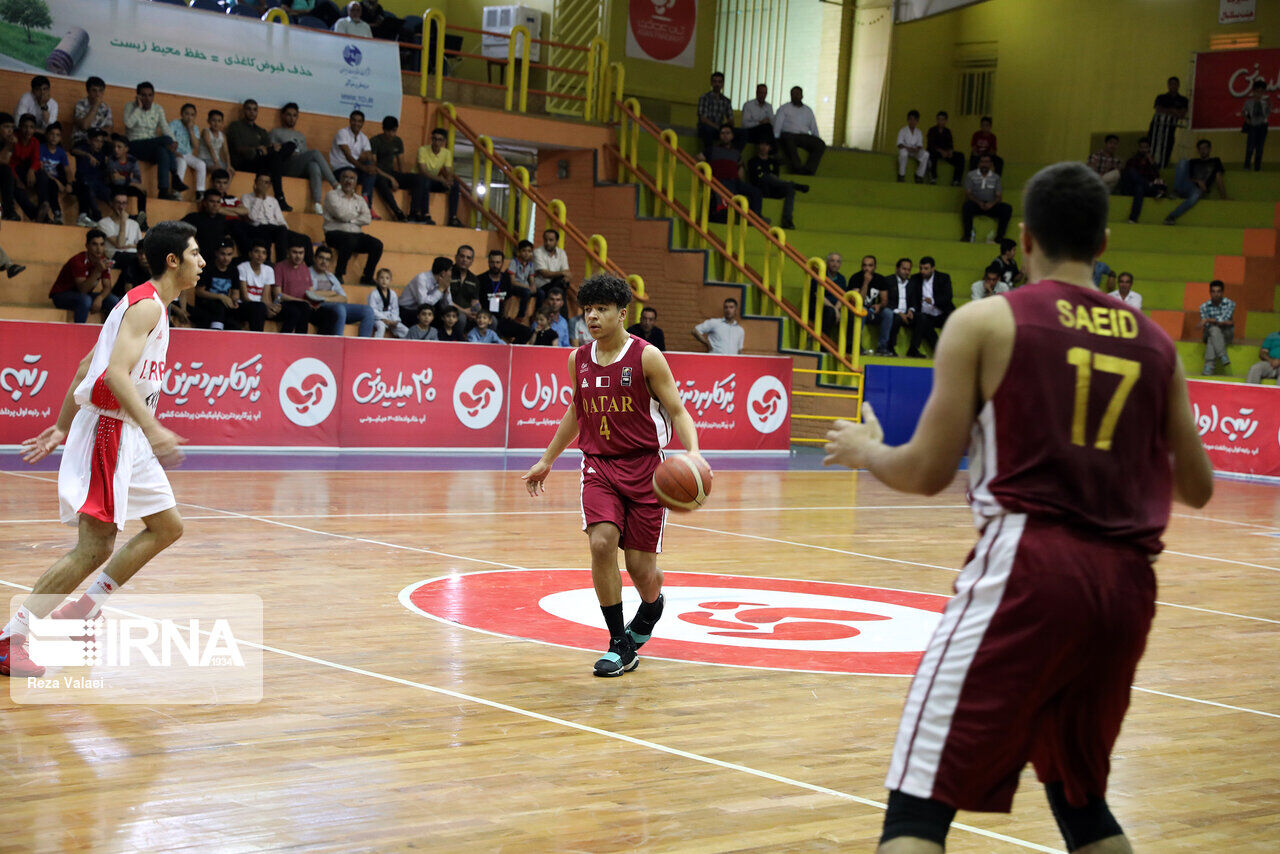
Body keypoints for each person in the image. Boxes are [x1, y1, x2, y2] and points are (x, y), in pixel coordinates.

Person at [821, 160, 1213, 854]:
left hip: (1032, 567)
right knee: (1081, 800)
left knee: (918, 808)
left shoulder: (986, 321)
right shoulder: (1157, 346)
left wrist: (864, 450)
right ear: (1105, 241)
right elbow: (1199, 486)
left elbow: (926, 472)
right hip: (1127, 587)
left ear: (1024, 237)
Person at [3, 221, 203, 679]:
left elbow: (82, 368)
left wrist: (59, 427)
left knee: (168, 527)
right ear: (173, 260)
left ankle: (82, 611)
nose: (203, 261)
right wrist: (153, 428)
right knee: (93, 548)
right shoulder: (145, 306)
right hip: (113, 432)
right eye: (195, 254)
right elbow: (112, 375)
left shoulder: (151, 306)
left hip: (127, 434)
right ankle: (11, 637)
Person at [522, 273, 704, 677]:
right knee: (602, 543)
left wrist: (692, 453)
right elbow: (577, 410)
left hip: (647, 470)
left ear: (622, 314)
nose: (593, 316)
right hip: (599, 466)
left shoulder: (647, 356)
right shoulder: (578, 359)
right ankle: (618, 642)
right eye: (588, 309)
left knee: (642, 570)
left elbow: (677, 410)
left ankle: (653, 605)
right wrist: (547, 458)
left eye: (602, 309)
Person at [272, 102, 338, 216]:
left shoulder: (300, 135)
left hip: (299, 166)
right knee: (315, 152)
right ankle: (335, 184)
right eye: (288, 115)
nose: (291, 118)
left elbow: (305, 154)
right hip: (286, 166)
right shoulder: (276, 132)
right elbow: (272, 154)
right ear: (283, 116)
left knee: (314, 165)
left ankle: (317, 203)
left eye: (294, 115)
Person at [227, 100, 293, 212]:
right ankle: (280, 197)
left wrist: (271, 149)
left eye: (254, 109)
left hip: (262, 161)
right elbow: (237, 148)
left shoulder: (261, 131)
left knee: (290, 145)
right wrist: (258, 150)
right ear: (244, 110)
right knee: (273, 157)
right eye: (249, 109)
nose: (252, 112)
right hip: (245, 162)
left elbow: (268, 150)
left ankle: (272, 164)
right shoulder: (236, 126)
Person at [323, 168, 383, 285]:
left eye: (352, 178)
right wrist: (356, 217)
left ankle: (367, 276)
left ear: (356, 182)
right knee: (349, 240)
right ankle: (339, 274)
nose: (348, 181)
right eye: (345, 177)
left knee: (377, 245)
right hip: (334, 233)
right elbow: (340, 214)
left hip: (355, 235)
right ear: (340, 180)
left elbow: (367, 219)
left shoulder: (360, 199)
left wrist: (350, 219)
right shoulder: (332, 195)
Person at [123, 82, 179, 201]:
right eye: (143, 95)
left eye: (150, 95)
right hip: (134, 145)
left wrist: (174, 142)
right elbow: (128, 124)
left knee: (162, 151)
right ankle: (174, 173)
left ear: (153, 96)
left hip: (152, 146)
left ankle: (163, 191)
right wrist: (138, 108)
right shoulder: (130, 106)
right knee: (166, 140)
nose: (147, 98)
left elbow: (165, 127)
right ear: (138, 96)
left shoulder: (158, 109)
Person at [50, 229, 119, 323]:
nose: (99, 249)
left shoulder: (103, 260)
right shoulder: (78, 261)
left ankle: (111, 334)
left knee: (113, 300)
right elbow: (83, 289)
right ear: (87, 246)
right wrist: (98, 270)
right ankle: (79, 332)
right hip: (61, 295)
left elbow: (107, 287)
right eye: (94, 244)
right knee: (85, 300)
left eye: (102, 244)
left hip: (83, 295)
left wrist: (100, 298)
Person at [307, 244, 375, 336]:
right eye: (321, 258)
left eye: (327, 259)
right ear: (315, 258)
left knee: (368, 310)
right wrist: (333, 293)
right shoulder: (307, 273)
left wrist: (326, 298)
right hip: (320, 308)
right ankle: (338, 344)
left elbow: (344, 298)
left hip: (333, 304)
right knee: (340, 308)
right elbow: (311, 295)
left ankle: (364, 345)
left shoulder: (331, 276)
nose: (324, 262)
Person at [700, 123, 763, 219]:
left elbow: (740, 167)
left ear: (732, 136)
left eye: (728, 133)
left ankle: (756, 218)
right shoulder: (712, 149)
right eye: (722, 133)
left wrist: (741, 176)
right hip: (721, 181)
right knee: (731, 195)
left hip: (736, 181)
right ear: (719, 136)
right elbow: (697, 158)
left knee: (756, 192)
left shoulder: (736, 152)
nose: (725, 135)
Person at [370, 115, 424, 223]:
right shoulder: (375, 141)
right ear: (383, 129)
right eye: (388, 131)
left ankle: (413, 214)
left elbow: (400, 162)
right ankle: (398, 212)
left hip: (392, 173)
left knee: (418, 179)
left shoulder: (397, 141)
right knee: (381, 182)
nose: (391, 134)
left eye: (394, 131)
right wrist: (391, 178)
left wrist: (402, 178)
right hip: (379, 174)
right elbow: (373, 166)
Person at [745, 138, 805, 230]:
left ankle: (787, 220)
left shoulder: (773, 162)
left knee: (790, 190)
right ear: (758, 146)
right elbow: (756, 178)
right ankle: (793, 184)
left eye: (766, 145)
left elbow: (776, 179)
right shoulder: (753, 161)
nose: (764, 147)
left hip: (772, 189)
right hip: (759, 188)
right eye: (762, 144)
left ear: (770, 147)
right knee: (765, 177)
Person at [1164, 139, 1226, 225]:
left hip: (1198, 189)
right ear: (1198, 150)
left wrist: (1224, 196)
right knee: (1183, 161)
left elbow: (1219, 179)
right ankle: (1176, 191)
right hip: (1187, 184)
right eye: (1200, 148)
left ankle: (1171, 217)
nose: (1203, 150)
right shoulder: (1193, 161)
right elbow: (1186, 176)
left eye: (1205, 148)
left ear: (1210, 149)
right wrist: (1198, 181)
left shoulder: (1215, 161)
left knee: (1195, 195)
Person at [328, 110, 380, 206]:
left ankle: (366, 203)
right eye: (354, 120)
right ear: (350, 121)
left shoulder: (364, 138)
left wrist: (368, 163)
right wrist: (364, 167)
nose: (356, 123)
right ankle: (346, 205)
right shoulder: (342, 133)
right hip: (340, 169)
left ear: (363, 123)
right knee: (355, 171)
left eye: (359, 121)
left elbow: (369, 157)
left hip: (355, 168)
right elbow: (348, 156)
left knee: (371, 171)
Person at [905, 255, 953, 357]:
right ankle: (914, 350)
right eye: (921, 268)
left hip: (941, 312)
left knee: (955, 320)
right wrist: (911, 309)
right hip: (924, 314)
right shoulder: (915, 278)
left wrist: (933, 301)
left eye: (926, 269)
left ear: (933, 268)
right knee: (924, 321)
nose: (922, 271)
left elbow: (948, 297)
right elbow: (911, 297)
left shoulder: (944, 278)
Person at [416, 127, 463, 226]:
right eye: (434, 139)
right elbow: (423, 171)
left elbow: (449, 170)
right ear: (431, 139)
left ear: (444, 141)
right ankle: (425, 214)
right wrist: (441, 179)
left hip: (434, 180)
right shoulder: (423, 150)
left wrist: (449, 179)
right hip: (419, 180)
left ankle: (453, 217)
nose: (436, 142)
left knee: (455, 184)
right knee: (425, 181)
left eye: (439, 140)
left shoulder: (446, 153)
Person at [774, 86, 825, 175]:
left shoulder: (808, 110)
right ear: (790, 96)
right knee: (788, 139)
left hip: (804, 136)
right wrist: (775, 139)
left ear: (802, 96)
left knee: (820, 144)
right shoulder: (784, 108)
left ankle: (809, 170)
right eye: (793, 94)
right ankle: (797, 168)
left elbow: (814, 128)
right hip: (789, 135)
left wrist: (817, 138)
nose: (796, 96)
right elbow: (777, 125)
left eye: (798, 94)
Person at [962, 154, 1012, 242]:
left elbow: (998, 195)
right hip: (976, 204)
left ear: (991, 164)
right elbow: (968, 193)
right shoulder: (971, 175)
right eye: (982, 162)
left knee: (1007, 208)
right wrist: (979, 202)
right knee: (966, 206)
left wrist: (991, 204)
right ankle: (967, 235)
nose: (984, 164)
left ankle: (999, 237)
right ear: (978, 164)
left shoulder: (996, 177)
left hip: (991, 205)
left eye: (987, 162)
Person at [1118, 137, 1166, 224]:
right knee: (1132, 172)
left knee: (1139, 188)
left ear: (1149, 149)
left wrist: (1151, 162)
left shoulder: (1151, 162)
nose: (1144, 150)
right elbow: (1127, 176)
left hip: (1143, 190)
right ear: (1139, 148)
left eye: (1146, 147)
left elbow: (1157, 176)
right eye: (1142, 147)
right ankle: (1153, 189)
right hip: (1130, 188)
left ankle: (1133, 219)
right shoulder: (1132, 160)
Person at [193, 241, 240, 330]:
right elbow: (199, 292)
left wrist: (234, 300)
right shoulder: (208, 268)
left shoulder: (233, 270)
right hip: (206, 304)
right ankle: (216, 332)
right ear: (216, 253)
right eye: (223, 254)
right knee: (219, 306)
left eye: (229, 254)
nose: (226, 258)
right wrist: (220, 297)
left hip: (225, 305)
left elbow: (235, 292)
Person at [275, 240, 318, 334]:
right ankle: (288, 341)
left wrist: (315, 302)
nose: (298, 256)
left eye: (301, 253)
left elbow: (310, 292)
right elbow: (278, 294)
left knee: (330, 314)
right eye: (295, 252)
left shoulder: (305, 268)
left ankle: (324, 346)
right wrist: (301, 301)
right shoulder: (279, 267)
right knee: (299, 310)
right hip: (286, 304)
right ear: (288, 252)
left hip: (304, 305)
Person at [399, 255, 453, 327]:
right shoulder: (422, 278)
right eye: (450, 270)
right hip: (407, 310)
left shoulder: (444, 281)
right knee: (427, 316)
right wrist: (440, 289)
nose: (452, 273)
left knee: (446, 316)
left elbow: (447, 306)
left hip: (424, 310)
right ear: (443, 273)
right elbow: (423, 304)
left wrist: (446, 292)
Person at [237, 240, 279, 332]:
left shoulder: (269, 270)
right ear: (250, 254)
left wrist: (272, 308)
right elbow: (244, 297)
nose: (260, 255)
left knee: (290, 311)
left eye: (263, 253)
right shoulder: (242, 268)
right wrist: (264, 308)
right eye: (257, 251)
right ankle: (257, 339)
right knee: (259, 308)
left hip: (261, 306)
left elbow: (265, 298)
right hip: (245, 305)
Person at [167, 103, 207, 196]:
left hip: (188, 155)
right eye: (187, 114)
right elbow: (168, 141)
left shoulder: (195, 128)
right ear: (181, 114)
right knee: (182, 162)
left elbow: (196, 145)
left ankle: (200, 192)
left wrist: (191, 130)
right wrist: (175, 153)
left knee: (201, 164)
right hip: (174, 153)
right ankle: (176, 192)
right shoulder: (174, 124)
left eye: (192, 115)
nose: (189, 117)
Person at [1149, 76, 1188, 168]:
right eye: (1171, 84)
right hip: (1156, 128)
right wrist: (1174, 111)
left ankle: (1163, 168)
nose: (1173, 86)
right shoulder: (1161, 97)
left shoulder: (1183, 100)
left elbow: (1182, 114)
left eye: (1175, 84)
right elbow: (1158, 110)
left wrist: (1168, 111)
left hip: (1170, 129)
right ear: (1168, 85)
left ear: (1178, 85)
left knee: (1167, 148)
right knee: (1152, 147)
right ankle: (1152, 169)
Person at [37, 121, 70, 224]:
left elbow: (68, 170)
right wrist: (57, 181)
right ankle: (56, 213)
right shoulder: (41, 148)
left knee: (83, 186)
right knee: (53, 185)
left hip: (55, 178)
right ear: (46, 135)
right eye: (52, 134)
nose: (54, 137)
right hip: (42, 177)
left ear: (60, 138)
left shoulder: (61, 152)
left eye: (57, 135)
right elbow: (40, 168)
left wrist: (69, 183)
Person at [1199, 279, 1234, 376]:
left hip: (1227, 333)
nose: (1216, 294)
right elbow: (1206, 325)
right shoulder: (1204, 306)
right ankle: (1222, 355)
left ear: (1222, 292)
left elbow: (1223, 320)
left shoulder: (1229, 303)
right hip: (1210, 332)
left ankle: (1208, 367)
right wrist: (1222, 322)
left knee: (1213, 334)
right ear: (1210, 293)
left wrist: (1209, 320)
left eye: (1218, 291)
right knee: (1213, 330)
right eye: (1213, 291)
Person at [696, 72, 734, 155]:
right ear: (711, 83)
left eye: (719, 82)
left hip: (720, 128)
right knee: (707, 130)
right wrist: (717, 127)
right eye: (715, 81)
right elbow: (703, 119)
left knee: (741, 133)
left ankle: (733, 156)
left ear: (723, 84)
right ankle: (709, 156)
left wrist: (727, 126)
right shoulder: (704, 98)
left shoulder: (726, 101)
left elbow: (730, 118)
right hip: (707, 127)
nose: (717, 84)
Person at [72, 76, 112, 150]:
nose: (98, 94)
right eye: (94, 90)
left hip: (100, 141)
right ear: (88, 91)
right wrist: (95, 106)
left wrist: (97, 134)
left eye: (100, 91)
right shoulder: (80, 104)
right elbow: (84, 126)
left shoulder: (106, 108)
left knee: (112, 149)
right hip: (83, 139)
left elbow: (108, 129)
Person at [926, 111, 965, 186]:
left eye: (942, 119)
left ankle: (956, 180)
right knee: (931, 154)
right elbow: (931, 144)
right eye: (939, 119)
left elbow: (950, 144)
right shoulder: (932, 130)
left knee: (960, 156)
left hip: (945, 153)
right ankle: (933, 178)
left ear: (946, 121)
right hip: (935, 152)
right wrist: (941, 151)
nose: (940, 121)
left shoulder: (948, 131)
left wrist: (950, 151)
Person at [369, 267, 407, 338]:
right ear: (377, 280)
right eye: (381, 278)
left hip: (390, 318)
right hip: (378, 318)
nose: (384, 280)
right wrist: (384, 319)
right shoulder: (374, 294)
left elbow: (395, 309)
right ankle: (376, 345)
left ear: (390, 280)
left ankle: (405, 346)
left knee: (405, 330)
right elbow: (372, 309)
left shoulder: (393, 294)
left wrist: (394, 320)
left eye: (387, 278)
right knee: (381, 327)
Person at [532, 228, 571, 296]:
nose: (548, 243)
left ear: (556, 241)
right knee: (560, 285)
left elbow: (567, 272)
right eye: (545, 240)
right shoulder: (537, 252)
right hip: (542, 285)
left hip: (557, 284)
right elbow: (545, 274)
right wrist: (562, 273)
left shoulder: (562, 253)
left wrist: (566, 277)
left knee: (563, 282)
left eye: (551, 240)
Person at [1242, 79, 1270, 172]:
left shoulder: (1265, 102)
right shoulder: (1248, 102)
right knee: (1250, 147)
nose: (1259, 93)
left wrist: (1269, 107)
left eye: (1261, 91)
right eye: (1257, 91)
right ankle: (1247, 166)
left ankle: (1257, 168)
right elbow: (1243, 112)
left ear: (1264, 92)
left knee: (1260, 148)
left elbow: (1267, 114)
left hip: (1263, 126)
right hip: (1253, 126)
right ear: (1253, 91)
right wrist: (1247, 120)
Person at [196, 108, 233, 178]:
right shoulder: (206, 132)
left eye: (219, 121)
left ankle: (224, 189)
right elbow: (210, 147)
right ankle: (215, 187)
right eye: (213, 120)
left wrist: (228, 165)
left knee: (231, 171)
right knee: (218, 171)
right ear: (208, 121)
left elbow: (226, 152)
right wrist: (216, 163)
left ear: (222, 123)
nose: (216, 123)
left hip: (217, 160)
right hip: (204, 159)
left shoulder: (222, 135)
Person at [896, 110, 929, 184]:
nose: (912, 121)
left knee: (926, 154)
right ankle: (901, 175)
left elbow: (920, 145)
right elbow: (899, 144)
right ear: (907, 120)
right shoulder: (903, 130)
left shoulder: (919, 132)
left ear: (917, 121)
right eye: (910, 119)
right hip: (905, 149)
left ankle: (919, 175)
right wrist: (908, 148)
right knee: (903, 153)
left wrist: (917, 149)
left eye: (914, 120)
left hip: (914, 151)